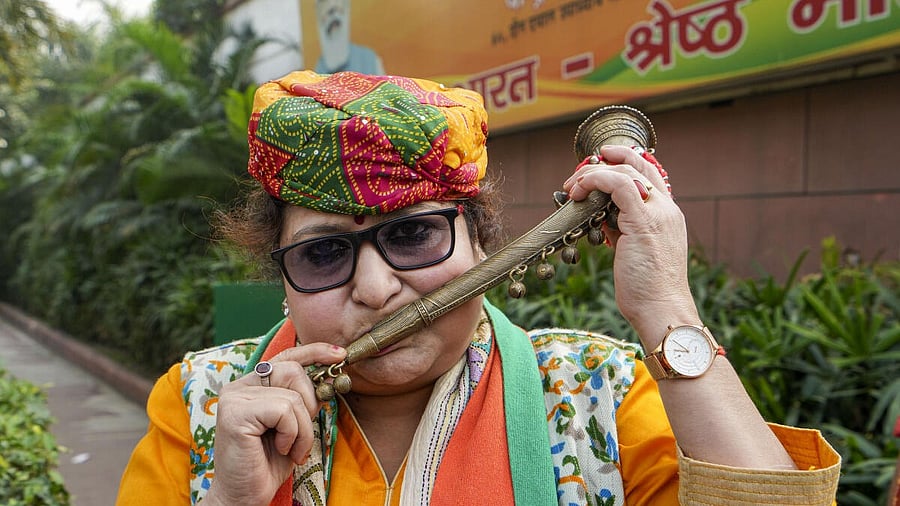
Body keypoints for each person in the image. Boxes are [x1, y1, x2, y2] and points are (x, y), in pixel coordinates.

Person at [116, 70, 840, 505]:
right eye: (323, 253)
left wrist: (666, 308)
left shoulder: (599, 392)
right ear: (282, 274)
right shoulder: (199, 403)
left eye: (412, 234)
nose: (375, 288)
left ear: (482, 245)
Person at [313, 0, 384, 75]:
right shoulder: (319, 69)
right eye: (329, 12)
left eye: (338, 10)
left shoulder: (369, 59)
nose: (334, 16)